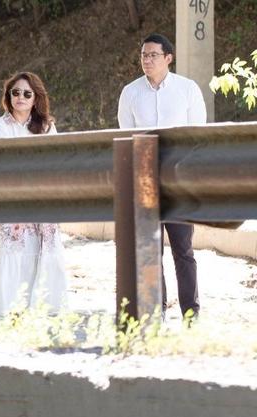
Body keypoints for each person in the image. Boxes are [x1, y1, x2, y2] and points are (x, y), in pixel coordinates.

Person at [118, 33, 207, 321]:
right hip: (145, 182)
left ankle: (191, 314)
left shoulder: (187, 89)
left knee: (183, 250)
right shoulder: (130, 93)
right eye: (144, 55)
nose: (147, 60)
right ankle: (156, 313)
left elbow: (197, 136)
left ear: (169, 57)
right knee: (150, 251)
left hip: (178, 181)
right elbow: (127, 137)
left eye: (153, 55)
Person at [0, 72, 67, 316]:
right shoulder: (0, 126)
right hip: (10, 195)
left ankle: (42, 306)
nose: (21, 97)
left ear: (35, 98)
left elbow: (54, 161)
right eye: (16, 92)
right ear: (9, 96)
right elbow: (5, 163)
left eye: (27, 93)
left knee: (43, 248)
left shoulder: (47, 126)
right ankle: (8, 307)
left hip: (42, 194)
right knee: (11, 249)